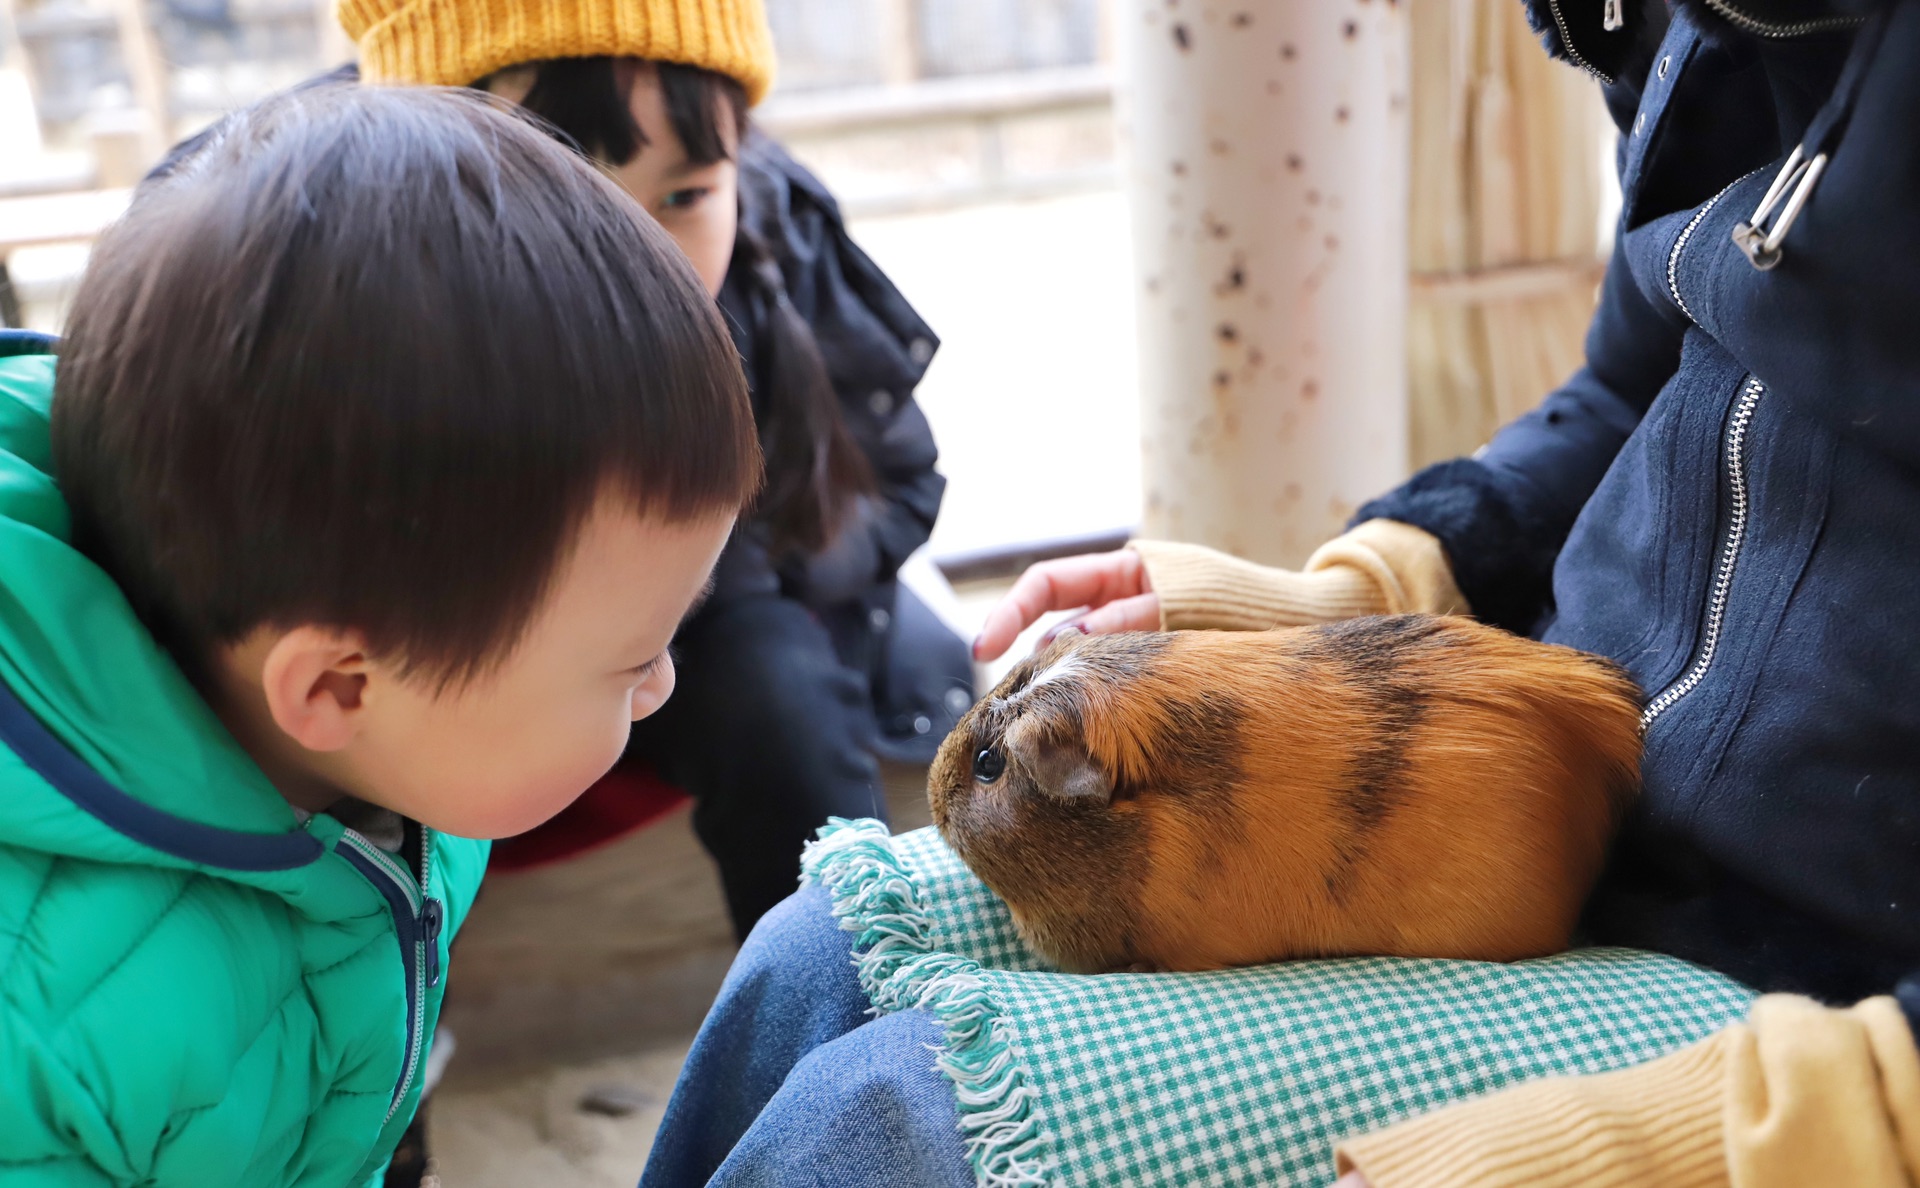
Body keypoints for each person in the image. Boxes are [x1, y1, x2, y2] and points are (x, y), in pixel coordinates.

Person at [641, 0, 1920, 1184]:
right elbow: (1639, 385)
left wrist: (1728, 1134)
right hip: (1610, 781)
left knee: (896, 1125)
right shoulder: (1721, 24)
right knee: (817, 951)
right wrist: (1368, 589)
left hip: (1815, 990)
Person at [0, 84, 760, 1184]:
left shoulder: (395, 758)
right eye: (630, 659)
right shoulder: (50, 1035)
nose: (661, 687)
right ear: (340, 687)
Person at [339, 0, 974, 938]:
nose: (639, 264)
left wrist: (708, 572)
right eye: (561, 200)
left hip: (705, 617)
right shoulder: (323, 254)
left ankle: (851, 1028)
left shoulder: (777, 247)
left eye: (684, 197)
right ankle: (386, 1058)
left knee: (784, 704)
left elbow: (883, 483)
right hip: (429, 622)